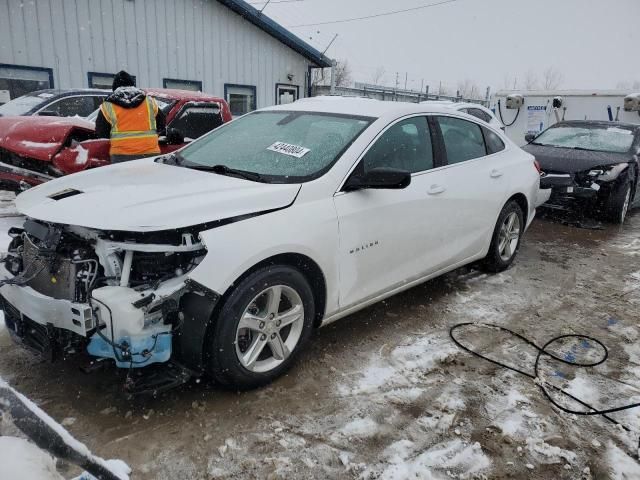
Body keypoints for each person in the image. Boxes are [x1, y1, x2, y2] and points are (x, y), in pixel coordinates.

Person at [95, 71, 166, 163]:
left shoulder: (108, 105)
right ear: (132, 85)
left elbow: (102, 133)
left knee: (124, 178)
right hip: (149, 152)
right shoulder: (149, 102)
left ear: (114, 88)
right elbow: (161, 123)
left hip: (121, 155)